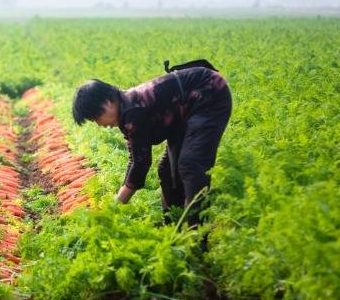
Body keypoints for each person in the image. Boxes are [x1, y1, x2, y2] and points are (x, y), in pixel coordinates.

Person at [72, 63, 232, 226]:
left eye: (95, 118)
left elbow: (141, 162)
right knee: (167, 170)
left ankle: (195, 234)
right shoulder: (126, 109)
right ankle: (172, 224)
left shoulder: (132, 112)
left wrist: (117, 203)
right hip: (186, 110)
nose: (98, 124)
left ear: (107, 103)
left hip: (209, 94)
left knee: (190, 164)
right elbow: (135, 157)